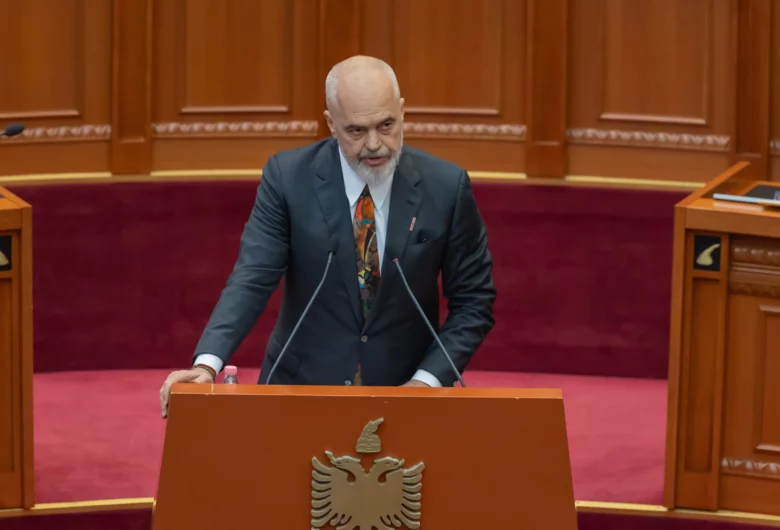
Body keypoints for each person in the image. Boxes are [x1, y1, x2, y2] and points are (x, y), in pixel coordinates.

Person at [159, 55, 496, 418]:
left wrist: (427, 381)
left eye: (386, 125)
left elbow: (473, 301)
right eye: (356, 131)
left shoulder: (446, 187)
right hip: (300, 389)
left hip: (406, 393)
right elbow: (252, 277)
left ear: (402, 112)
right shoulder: (288, 179)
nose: (374, 144)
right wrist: (208, 363)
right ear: (331, 124)